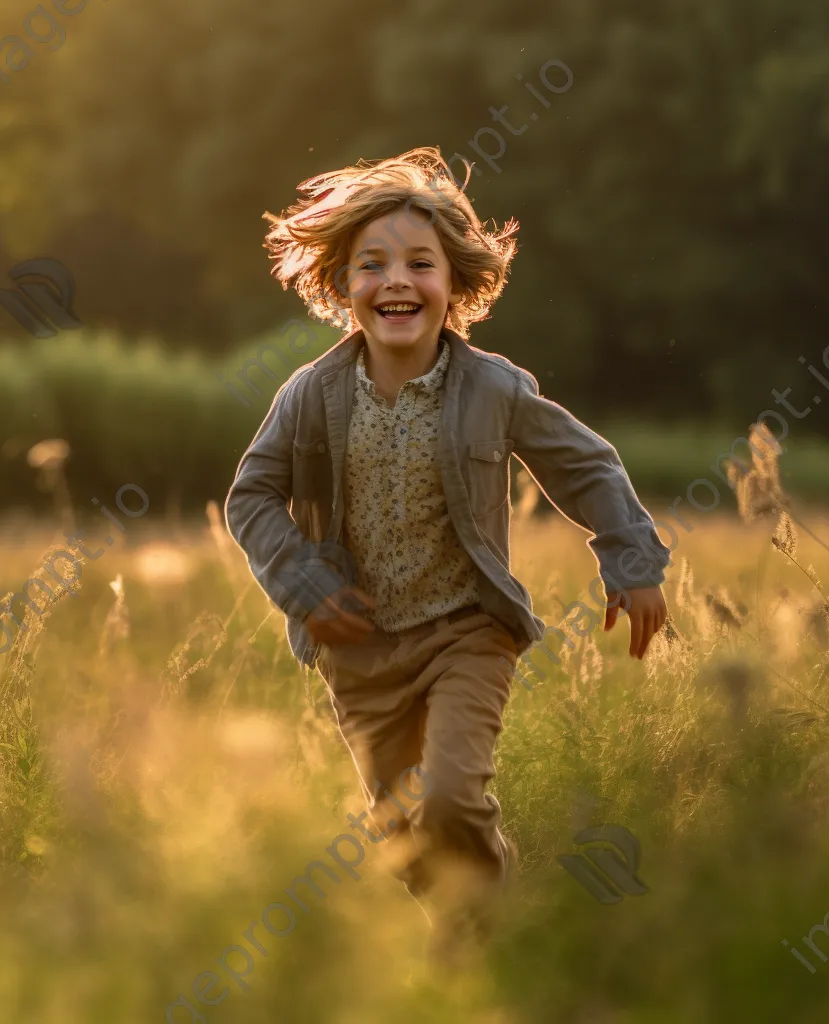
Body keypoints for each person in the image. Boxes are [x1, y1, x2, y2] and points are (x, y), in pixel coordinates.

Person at [225, 146, 670, 962]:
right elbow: (249, 497)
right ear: (340, 285)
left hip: (468, 633)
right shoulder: (308, 397)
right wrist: (305, 583)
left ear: (456, 285)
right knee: (403, 835)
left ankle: (489, 938)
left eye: (419, 264)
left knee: (454, 801)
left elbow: (586, 466)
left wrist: (632, 561)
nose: (397, 280)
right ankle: (469, 932)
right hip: (360, 650)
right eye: (372, 265)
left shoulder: (494, 389)